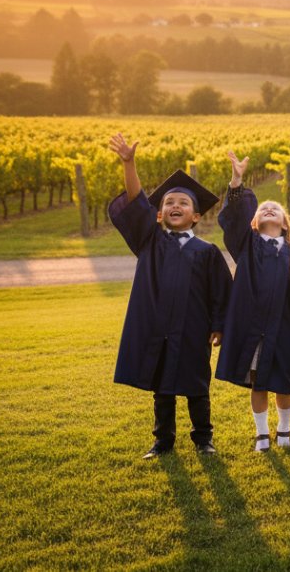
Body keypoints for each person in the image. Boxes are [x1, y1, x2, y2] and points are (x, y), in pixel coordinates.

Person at [106, 133, 230, 459]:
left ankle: (204, 439)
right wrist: (129, 163)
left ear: (197, 216)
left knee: (196, 386)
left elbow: (221, 293)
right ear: (158, 215)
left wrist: (218, 326)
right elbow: (136, 204)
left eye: (183, 203)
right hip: (158, 330)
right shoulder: (150, 241)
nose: (175, 206)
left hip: (193, 329)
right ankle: (163, 441)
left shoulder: (207, 252)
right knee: (161, 388)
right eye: (168, 203)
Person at [216, 151, 290, 451]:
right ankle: (262, 433)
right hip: (251, 325)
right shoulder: (245, 245)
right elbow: (232, 219)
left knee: (283, 378)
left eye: (275, 209)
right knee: (257, 379)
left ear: (285, 224)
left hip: (283, 326)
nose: (269, 209)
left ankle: (283, 430)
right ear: (254, 221)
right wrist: (237, 181)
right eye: (264, 208)